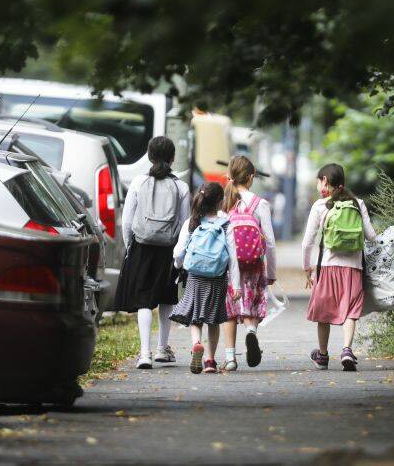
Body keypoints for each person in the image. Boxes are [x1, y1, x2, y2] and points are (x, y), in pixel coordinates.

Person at [114, 136, 190, 369]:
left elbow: (127, 221)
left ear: (149, 156)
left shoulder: (138, 182)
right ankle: (162, 349)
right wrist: (180, 253)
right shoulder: (181, 186)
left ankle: (144, 353)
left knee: (144, 300)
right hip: (169, 249)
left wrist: (131, 247)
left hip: (142, 247)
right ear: (172, 158)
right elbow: (184, 222)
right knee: (167, 298)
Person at [301, 163, 376, 371]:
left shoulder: (320, 206)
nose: (318, 185)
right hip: (353, 268)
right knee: (351, 310)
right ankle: (346, 350)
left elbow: (307, 242)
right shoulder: (358, 203)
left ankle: (323, 355)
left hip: (328, 267)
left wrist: (307, 267)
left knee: (323, 312)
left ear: (325, 180)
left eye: (319, 181)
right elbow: (371, 236)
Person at [170, 183, 240, 374]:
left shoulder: (192, 222)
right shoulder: (226, 223)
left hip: (195, 276)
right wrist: (237, 285)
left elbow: (178, 252)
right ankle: (210, 361)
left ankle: (196, 344)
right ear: (220, 201)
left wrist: (179, 265)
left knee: (195, 318)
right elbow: (233, 257)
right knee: (214, 320)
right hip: (217, 277)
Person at [221, 156, 277, 371]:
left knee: (230, 310)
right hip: (254, 264)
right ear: (252, 177)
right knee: (250, 305)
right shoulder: (260, 204)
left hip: (230, 266)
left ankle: (230, 358)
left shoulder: (225, 202)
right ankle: (251, 333)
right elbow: (270, 242)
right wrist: (271, 272)